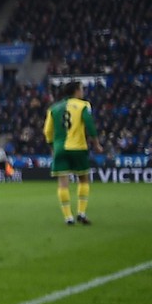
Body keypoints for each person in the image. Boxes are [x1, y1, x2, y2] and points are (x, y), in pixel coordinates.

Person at [44, 79, 99, 225]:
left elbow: (47, 131)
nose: (83, 92)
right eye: (81, 89)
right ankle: (81, 213)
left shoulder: (53, 108)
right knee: (83, 179)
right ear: (76, 91)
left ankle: (68, 217)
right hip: (78, 148)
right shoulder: (84, 105)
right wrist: (97, 144)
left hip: (60, 149)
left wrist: (52, 146)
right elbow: (89, 124)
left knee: (63, 184)